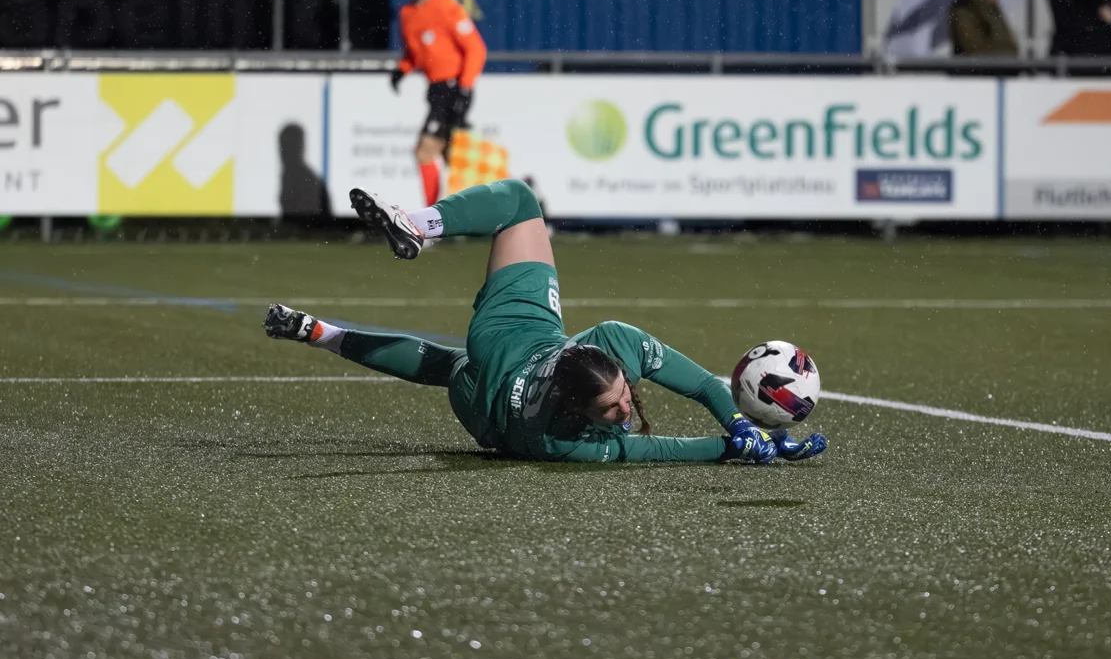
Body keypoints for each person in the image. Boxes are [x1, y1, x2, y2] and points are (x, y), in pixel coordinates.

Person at [263, 180, 828, 465]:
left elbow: (705, 385)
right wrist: (740, 443)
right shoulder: (565, 443)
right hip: (494, 400)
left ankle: (413, 231)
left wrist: (739, 425)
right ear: (574, 406)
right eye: (611, 409)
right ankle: (328, 332)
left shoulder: (614, 347)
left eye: (621, 394)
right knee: (453, 365)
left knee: (516, 201)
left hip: (502, 356)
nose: (624, 410)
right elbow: (664, 449)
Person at [392, 0, 488, 207]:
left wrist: (465, 89)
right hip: (436, 90)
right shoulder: (408, 13)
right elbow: (416, 52)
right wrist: (402, 69)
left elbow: (476, 49)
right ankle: (514, 207)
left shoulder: (447, 7)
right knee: (455, 157)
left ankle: (433, 217)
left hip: (453, 89)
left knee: (426, 151)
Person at [949, 0, 1019, 56]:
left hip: (1000, 62)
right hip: (980, 63)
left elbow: (1010, 47)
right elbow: (976, 49)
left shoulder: (993, 9)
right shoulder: (963, 10)